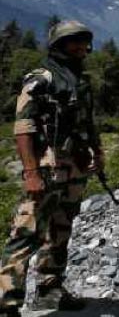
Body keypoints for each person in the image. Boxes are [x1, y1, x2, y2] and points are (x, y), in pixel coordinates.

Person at [0, 21, 105, 315]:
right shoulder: (40, 79)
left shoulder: (79, 80)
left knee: (60, 231)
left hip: (74, 167)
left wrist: (98, 152)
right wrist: (31, 173)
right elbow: (23, 128)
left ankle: (50, 291)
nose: (81, 47)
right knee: (26, 233)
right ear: (59, 45)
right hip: (46, 167)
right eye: (74, 41)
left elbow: (88, 122)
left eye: (84, 41)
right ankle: (7, 302)